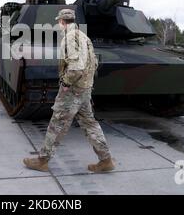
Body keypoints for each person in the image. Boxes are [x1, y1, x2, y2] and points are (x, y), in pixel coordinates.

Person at [23, 9, 115, 173]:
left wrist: (65, 83)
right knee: (90, 124)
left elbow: (76, 68)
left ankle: (42, 160)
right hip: (85, 89)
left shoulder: (70, 38)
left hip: (73, 90)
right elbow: (92, 64)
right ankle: (106, 160)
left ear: (62, 22)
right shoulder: (84, 37)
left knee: (56, 124)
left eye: (59, 22)